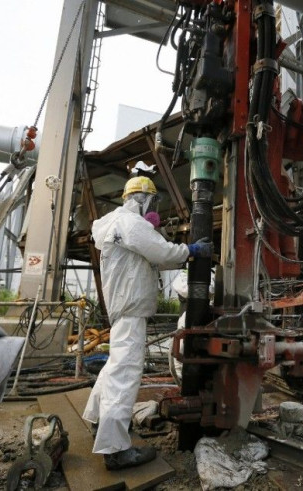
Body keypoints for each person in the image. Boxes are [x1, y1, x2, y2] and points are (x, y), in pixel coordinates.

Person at [82, 176, 213, 471]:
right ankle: (115, 449)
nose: (155, 209)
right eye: (153, 202)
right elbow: (161, 251)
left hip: (123, 310)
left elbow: (156, 258)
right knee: (125, 374)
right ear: (142, 199)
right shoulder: (131, 223)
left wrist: (182, 254)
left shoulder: (116, 224)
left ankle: (96, 419)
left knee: (114, 366)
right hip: (130, 310)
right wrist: (190, 250)